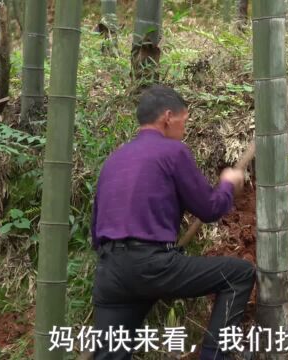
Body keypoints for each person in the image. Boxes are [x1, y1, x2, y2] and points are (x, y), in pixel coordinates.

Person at [91, 85, 255, 360]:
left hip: (110, 273)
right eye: (184, 120)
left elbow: (96, 229)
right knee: (238, 275)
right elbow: (210, 209)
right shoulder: (173, 152)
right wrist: (227, 185)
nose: (184, 128)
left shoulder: (114, 160)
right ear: (168, 116)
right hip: (152, 266)